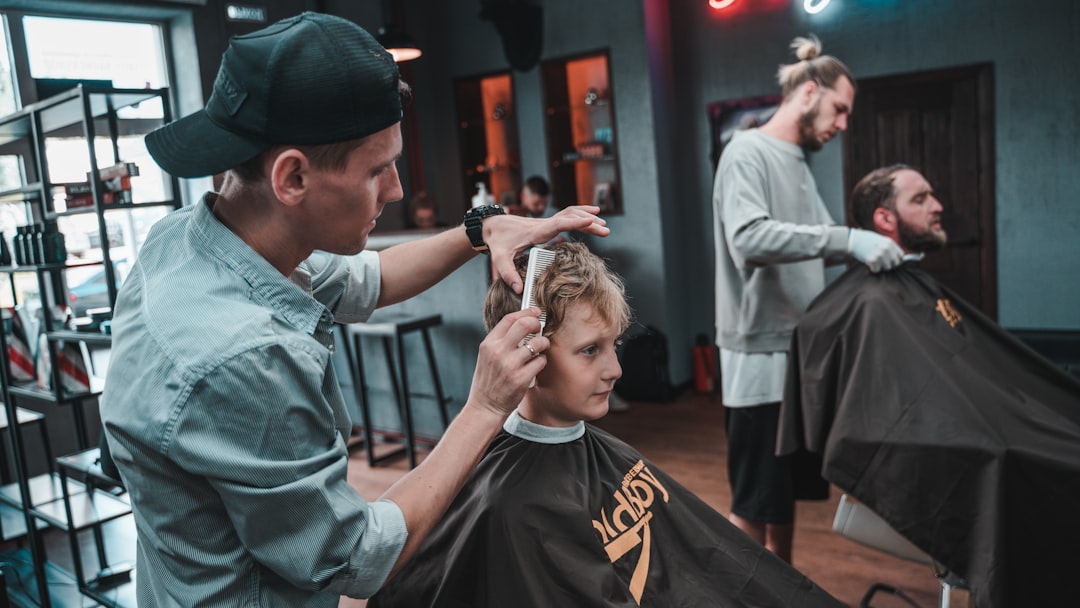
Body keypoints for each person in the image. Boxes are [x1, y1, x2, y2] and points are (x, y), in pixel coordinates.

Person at [98, 13, 609, 606]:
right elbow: (357, 560)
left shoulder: (193, 237)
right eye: (376, 170)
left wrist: (484, 227)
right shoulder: (246, 355)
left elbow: (371, 278)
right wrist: (485, 407)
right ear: (292, 177)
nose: (395, 189)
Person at [369, 242, 843, 607]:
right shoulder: (515, 510)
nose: (615, 369)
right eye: (591, 350)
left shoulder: (593, 448)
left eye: (614, 345)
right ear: (524, 357)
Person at [779, 165, 1080, 607]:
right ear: (884, 219)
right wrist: (991, 438)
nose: (937, 206)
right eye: (920, 199)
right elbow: (890, 413)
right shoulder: (869, 301)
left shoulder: (910, 283)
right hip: (981, 446)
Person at [711, 34, 904, 563]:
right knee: (753, 500)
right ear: (809, 91)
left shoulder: (796, 159)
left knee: (784, 494)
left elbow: (818, 242)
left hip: (797, 351)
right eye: (840, 109)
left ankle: (784, 585)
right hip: (756, 353)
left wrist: (879, 248)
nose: (843, 124)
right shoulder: (745, 151)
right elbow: (749, 238)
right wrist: (848, 239)